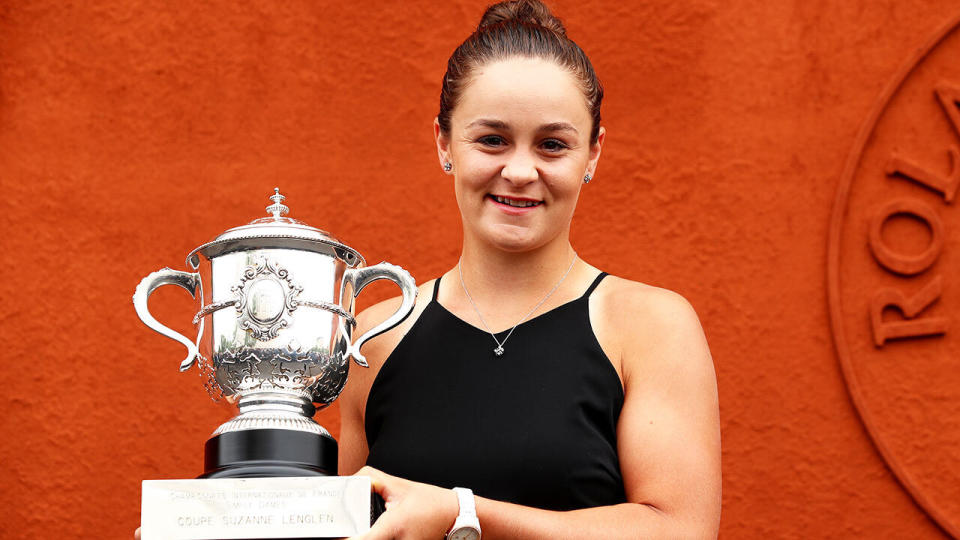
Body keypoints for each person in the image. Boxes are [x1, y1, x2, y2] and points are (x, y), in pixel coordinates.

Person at [340, 1, 721, 539]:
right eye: (492, 139)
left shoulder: (649, 326)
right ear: (444, 142)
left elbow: (682, 529)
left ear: (592, 154)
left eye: (552, 145)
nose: (519, 171)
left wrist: (464, 513)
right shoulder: (374, 338)